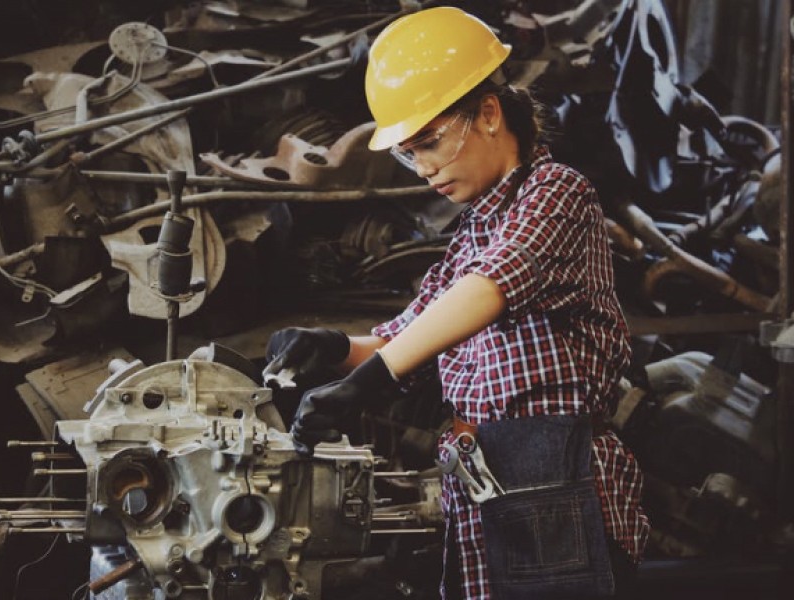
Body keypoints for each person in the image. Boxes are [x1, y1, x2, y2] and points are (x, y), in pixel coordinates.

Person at [264, 6, 649, 599]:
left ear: (489, 113)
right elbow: (407, 336)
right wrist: (331, 347)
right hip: (488, 478)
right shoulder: (471, 233)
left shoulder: (556, 194)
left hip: (554, 480)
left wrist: (364, 384)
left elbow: (489, 289)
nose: (423, 169)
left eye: (431, 142)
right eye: (408, 153)